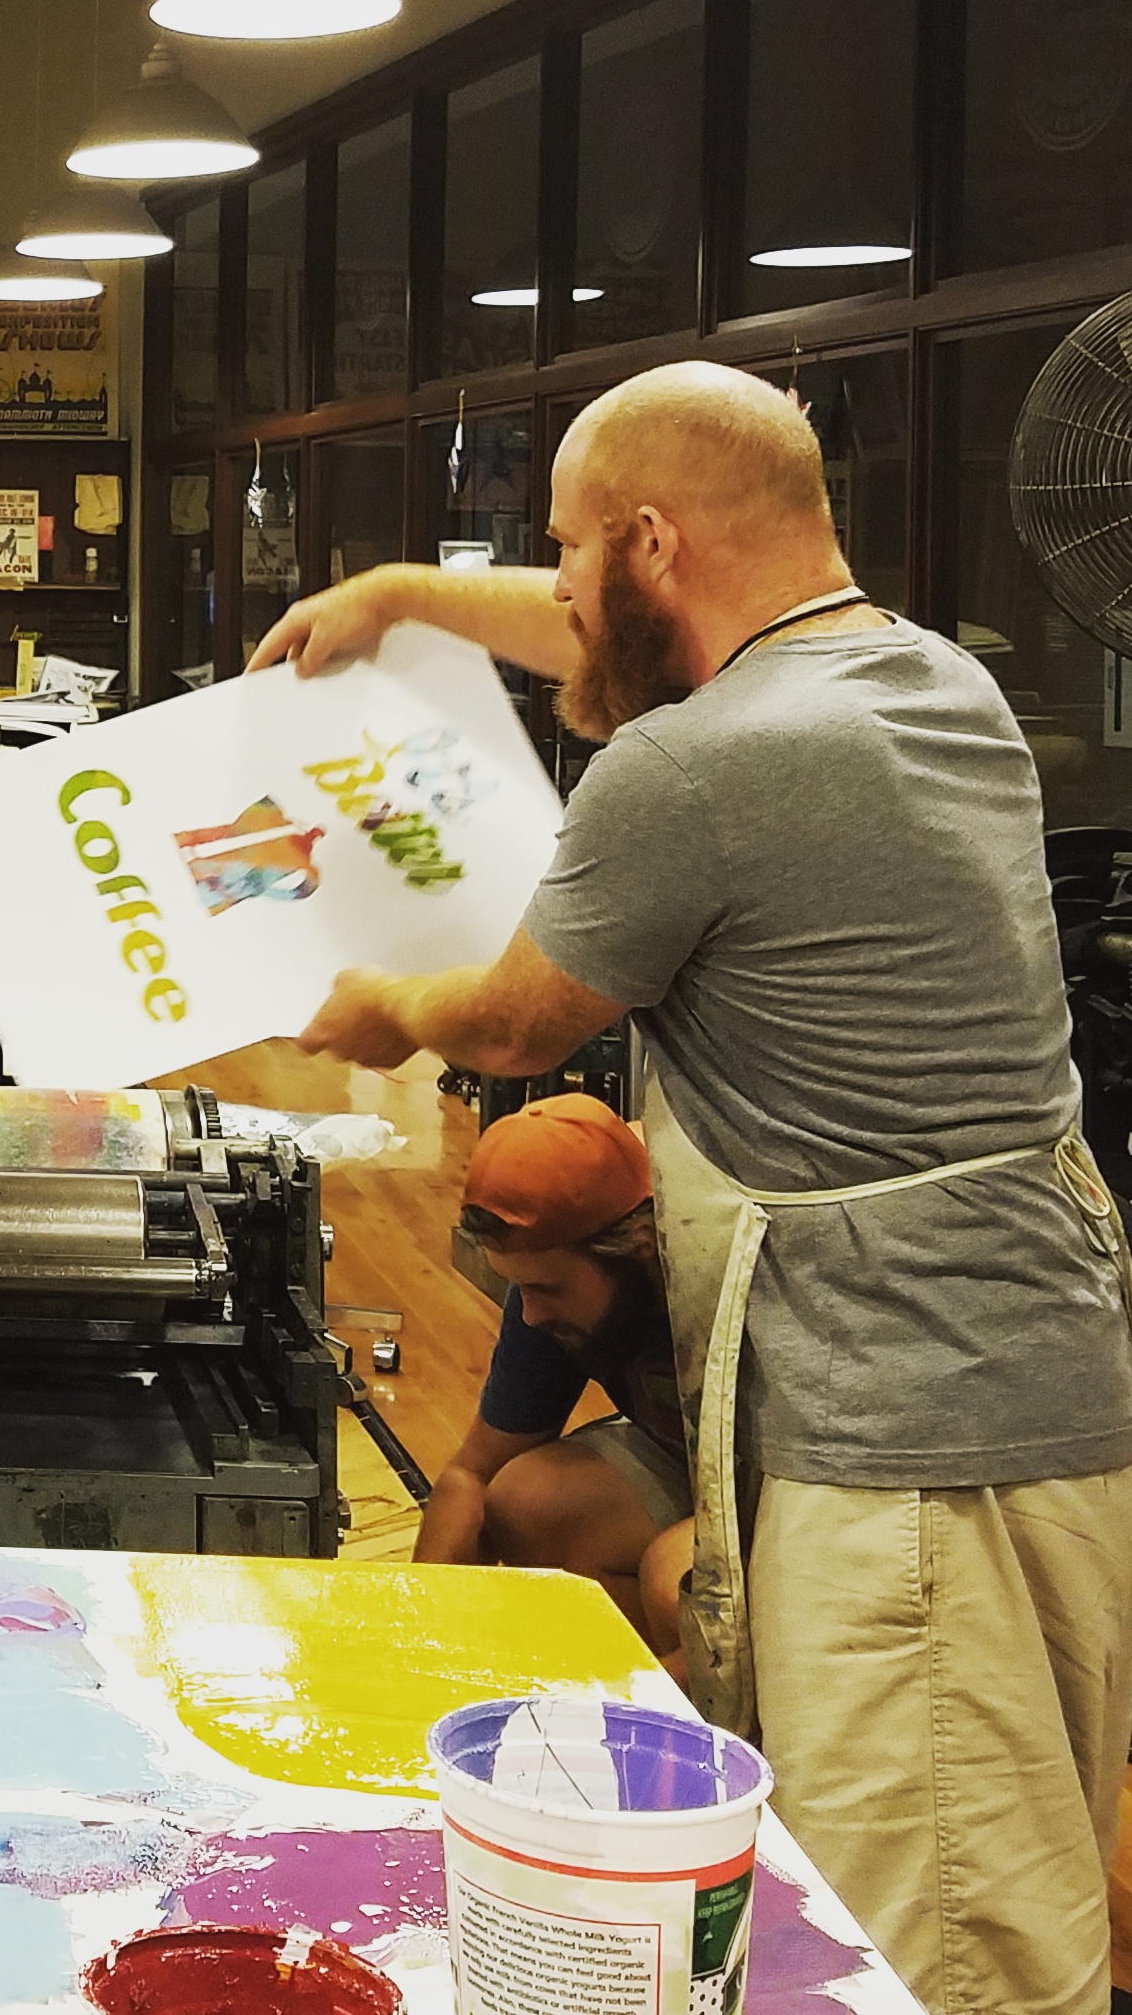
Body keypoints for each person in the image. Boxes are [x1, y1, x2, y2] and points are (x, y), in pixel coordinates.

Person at [252, 361, 1132, 2015]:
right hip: (1040, 1373)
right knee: (1002, 1854)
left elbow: (512, 1014)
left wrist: (380, 1001)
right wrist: (392, 598)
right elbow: (608, 617)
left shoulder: (694, 765)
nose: (559, 590)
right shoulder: (927, 679)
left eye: (571, 552)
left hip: (902, 1429)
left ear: (648, 542)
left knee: (932, 1926)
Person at [415, 1094, 693, 1664]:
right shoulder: (559, 1271)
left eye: (547, 1290)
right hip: (695, 1469)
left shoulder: (720, 1286)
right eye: (521, 1288)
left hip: (797, 1503)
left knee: (674, 1581)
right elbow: (473, 1472)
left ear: (639, 1250)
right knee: (527, 1501)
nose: (532, 1315)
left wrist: (639, 1715)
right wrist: (417, 1636)